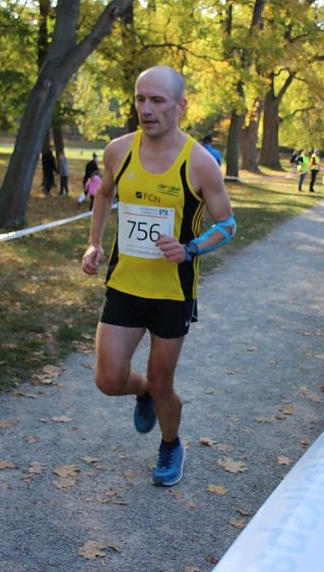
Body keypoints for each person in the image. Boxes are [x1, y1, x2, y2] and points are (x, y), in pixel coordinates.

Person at [81, 65, 236, 487]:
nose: (146, 109)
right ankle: (141, 391)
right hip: (125, 284)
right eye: (140, 99)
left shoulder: (200, 163)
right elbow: (105, 194)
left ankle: (171, 444)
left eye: (157, 100)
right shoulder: (118, 150)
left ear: (180, 106)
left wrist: (189, 249)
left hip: (172, 292)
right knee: (109, 379)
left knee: (164, 382)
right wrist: (94, 243)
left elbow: (227, 225)